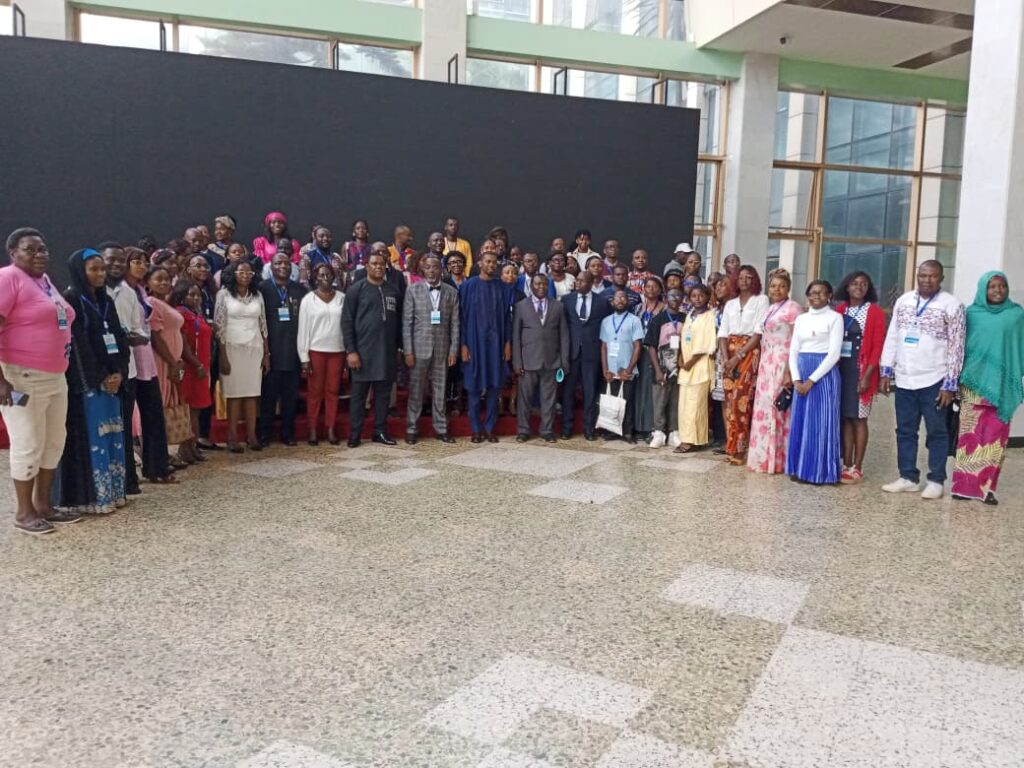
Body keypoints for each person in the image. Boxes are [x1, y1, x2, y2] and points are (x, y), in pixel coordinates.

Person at [0, 228, 79, 534]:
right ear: (13, 253)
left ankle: (44, 505)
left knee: (54, 441)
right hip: (22, 377)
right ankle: (24, 512)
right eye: (30, 250)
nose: (39, 255)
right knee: (28, 442)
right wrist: (1, 381)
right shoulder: (9, 278)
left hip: (55, 375)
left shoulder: (44, 281)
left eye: (42, 249)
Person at [880, 260, 966, 499]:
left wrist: (950, 383)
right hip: (905, 379)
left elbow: (957, 346)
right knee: (905, 430)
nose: (927, 280)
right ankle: (908, 477)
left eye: (933, 276)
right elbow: (893, 335)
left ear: (941, 278)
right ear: (917, 276)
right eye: (923, 275)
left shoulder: (952, 305)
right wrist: (886, 370)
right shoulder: (904, 301)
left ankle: (936, 480)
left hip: (935, 380)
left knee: (937, 432)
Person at [58, 248, 129, 515]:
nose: (100, 274)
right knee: (94, 437)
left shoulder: (105, 299)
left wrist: (119, 372)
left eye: (102, 269)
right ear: (80, 271)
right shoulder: (71, 299)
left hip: (112, 381)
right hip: (90, 383)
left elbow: (119, 337)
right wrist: (100, 377)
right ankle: (95, 496)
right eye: (94, 269)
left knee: (113, 436)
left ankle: (114, 491)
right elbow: (78, 344)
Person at [951, 271, 1024, 505]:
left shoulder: (1016, 315)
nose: (997, 290)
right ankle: (962, 488)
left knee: (995, 439)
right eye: (992, 286)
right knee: (970, 435)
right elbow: (959, 347)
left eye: (1002, 286)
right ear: (983, 289)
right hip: (973, 382)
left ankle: (987, 489)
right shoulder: (971, 314)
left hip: (1001, 386)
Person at [122, 247, 176, 481]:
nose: (141, 266)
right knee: (127, 418)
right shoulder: (119, 291)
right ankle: (128, 475)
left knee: (153, 414)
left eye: (144, 262)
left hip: (145, 358)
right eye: (136, 261)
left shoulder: (140, 290)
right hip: (128, 359)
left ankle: (156, 467)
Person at [343, 249, 402, 447]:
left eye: (381, 264)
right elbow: (347, 321)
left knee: (383, 397)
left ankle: (380, 432)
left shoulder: (393, 290)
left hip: (386, 353)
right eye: (374, 264)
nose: (378, 267)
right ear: (367, 267)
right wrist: (351, 351)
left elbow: (399, 322)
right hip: (362, 353)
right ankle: (355, 434)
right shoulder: (356, 290)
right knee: (359, 398)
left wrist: (399, 349)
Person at [787, 280, 843, 485]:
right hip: (801, 373)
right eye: (812, 292)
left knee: (820, 423)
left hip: (823, 375)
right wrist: (796, 379)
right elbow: (793, 350)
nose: (816, 296)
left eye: (821, 292)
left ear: (829, 295)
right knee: (801, 422)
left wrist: (811, 380)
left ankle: (819, 472)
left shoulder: (835, 318)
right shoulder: (801, 319)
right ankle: (799, 469)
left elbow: (834, 354)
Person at [746, 269, 803, 475]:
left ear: (788, 288)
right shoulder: (769, 309)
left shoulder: (794, 308)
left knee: (779, 408)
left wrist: (789, 371)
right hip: (766, 363)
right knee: (764, 408)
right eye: (773, 286)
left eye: (781, 286)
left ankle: (780, 459)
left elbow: (796, 341)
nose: (777, 290)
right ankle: (763, 458)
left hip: (782, 361)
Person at [146, 264, 201, 467]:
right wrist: (171, 361)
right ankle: (157, 455)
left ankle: (166, 452)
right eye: (158, 279)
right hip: (161, 361)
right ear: (148, 283)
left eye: (167, 279)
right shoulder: (151, 303)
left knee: (171, 405)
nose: (164, 283)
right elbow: (156, 336)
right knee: (159, 406)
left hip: (173, 361)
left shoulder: (166, 304)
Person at [834, 271, 887, 484]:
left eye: (864, 284)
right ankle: (846, 464)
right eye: (854, 283)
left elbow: (877, 347)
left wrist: (867, 376)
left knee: (859, 418)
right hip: (842, 371)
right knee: (846, 418)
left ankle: (857, 467)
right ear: (847, 287)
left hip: (861, 371)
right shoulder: (840, 310)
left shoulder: (874, 312)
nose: (859, 287)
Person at [403, 253, 460, 444]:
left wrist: (453, 350)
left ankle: (441, 428)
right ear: (422, 269)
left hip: (443, 348)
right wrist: (408, 351)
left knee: (440, 389)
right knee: (416, 389)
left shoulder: (451, 292)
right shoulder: (413, 290)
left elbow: (455, 324)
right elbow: (407, 323)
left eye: (435, 267)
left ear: (441, 269)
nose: (431, 271)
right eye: (428, 267)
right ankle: (411, 428)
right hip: (418, 348)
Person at [102, 242, 143, 495]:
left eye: (121, 260)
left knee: (125, 427)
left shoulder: (129, 292)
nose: (116, 265)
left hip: (128, 369)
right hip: (103, 373)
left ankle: (128, 480)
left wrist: (136, 336)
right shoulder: (90, 293)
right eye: (111, 260)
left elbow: (138, 327)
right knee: (105, 428)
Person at [215, 261, 269, 453]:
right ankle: (232, 437)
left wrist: (266, 354)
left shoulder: (257, 295)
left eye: (249, 272)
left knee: (252, 393)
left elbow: (263, 325)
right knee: (234, 394)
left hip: (254, 348)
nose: (246, 275)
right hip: (232, 349)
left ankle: (252, 436)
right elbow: (219, 326)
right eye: (241, 272)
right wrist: (223, 356)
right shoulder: (224, 294)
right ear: (233, 273)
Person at [717, 265, 769, 465]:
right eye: (741, 277)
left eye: (749, 277)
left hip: (748, 352)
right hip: (728, 352)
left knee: (742, 400)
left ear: (755, 280)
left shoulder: (761, 300)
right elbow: (723, 332)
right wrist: (725, 359)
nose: (744, 280)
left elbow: (758, 332)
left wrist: (737, 357)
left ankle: (741, 448)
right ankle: (731, 446)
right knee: (730, 402)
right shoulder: (730, 304)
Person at [459, 249, 511, 443]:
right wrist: (463, 345)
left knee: (494, 387)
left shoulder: (502, 287)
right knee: (473, 388)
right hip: (473, 342)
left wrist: (507, 344)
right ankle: (475, 429)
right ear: (480, 263)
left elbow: (506, 318)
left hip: (496, 344)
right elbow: (462, 318)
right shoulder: (468, 286)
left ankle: (489, 428)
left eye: (494, 262)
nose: (491, 265)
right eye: (488, 261)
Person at [258, 252, 306, 446]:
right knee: (268, 398)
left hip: (293, 353)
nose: (283, 266)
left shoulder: (300, 290)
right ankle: (264, 434)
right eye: (278, 263)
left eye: (286, 263)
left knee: (290, 398)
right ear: (271, 266)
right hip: (270, 353)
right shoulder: (262, 289)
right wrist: (264, 353)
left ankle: (288, 433)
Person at [513, 274, 569, 442]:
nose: (541, 287)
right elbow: (516, 336)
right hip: (527, 361)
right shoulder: (521, 306)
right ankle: (523, 430)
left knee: (549, 399)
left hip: (551, 360)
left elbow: (564, 335)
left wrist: (564, 361)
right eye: (537, 284)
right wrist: (517, 361)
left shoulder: (558, 306)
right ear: (531, 286)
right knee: (525, 399)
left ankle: (547, 430)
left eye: (544, 284)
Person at [298, 262, 346, 446]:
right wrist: (304, 357)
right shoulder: (308, 299)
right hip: (316, 351)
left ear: (333, 277)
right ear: (315, 278)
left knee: (333, 391)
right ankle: (312, 429)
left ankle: (330, 428)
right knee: (315, 392)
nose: (325, 278)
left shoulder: (342, 298)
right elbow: (303, 330)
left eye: (328, 274)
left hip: (337, 350)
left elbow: (346, 326)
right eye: (321, 275)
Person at [560, 271, 610, 440]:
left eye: (582, 281)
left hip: (592, 353)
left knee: (590, 392)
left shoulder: (602, 302)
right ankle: (566, 428)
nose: (578, 283)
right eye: (577, 280)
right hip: (571, 353)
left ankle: (589, 429)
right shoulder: (566, 300)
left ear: (590, 283)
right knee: (568, 392)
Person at [674, 284, 718, 454]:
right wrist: (680, 357)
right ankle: (691, 438)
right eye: (694, 296)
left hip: (699, 365)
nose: (697, 299)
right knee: (684, 405)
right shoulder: (690, 315)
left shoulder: (710, 316)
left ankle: (691, 441)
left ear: (707, 297)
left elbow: (708, 343)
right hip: (686, 365)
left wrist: (691, 361)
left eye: (701, 296)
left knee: (696, 405)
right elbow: (684, 338)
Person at [171, 281, 212, 461]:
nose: (195, 298)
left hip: (201, 366)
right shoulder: (180, 314)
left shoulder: (195, 313)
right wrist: (196, 365)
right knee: (188, 409)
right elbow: (184, 344)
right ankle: (185, 448)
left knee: (195, 409)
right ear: (182, 296)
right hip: (191, 367)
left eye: (198, 295)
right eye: (191, 295)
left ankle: (192, 446)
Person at [600, 290, 645, 443]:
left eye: (623, 298)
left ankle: (627, 432)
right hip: (611, 369)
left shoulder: (634, 321)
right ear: (612, 302)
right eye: (617, 298)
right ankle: (613, 430)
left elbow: (637, 346)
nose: (620, 300)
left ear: (628, 301)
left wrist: (629, 369)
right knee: (612, 400)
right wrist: (605, 370)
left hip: (627, 369)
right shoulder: (606, 321)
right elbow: (604, 347)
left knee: (627, 401)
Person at [645, 286, 684, 449]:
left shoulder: (686, 319)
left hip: (681, 368)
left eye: (678, 296)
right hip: (661, 368)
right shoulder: (657, 319)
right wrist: (658, 370)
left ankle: (674, 433)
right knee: (659, 402)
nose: (675, 299)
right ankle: (659, 433)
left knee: (676, 402)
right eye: (671, 296)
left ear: (682, 300)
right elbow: (651, 347)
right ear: (666, 298)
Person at [632, 275, 665, 441]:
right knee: (638, 389)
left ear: (660, 290)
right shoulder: (637, 308)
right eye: (648, 286)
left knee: (652, 390)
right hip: (638, 353)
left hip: (656, 353)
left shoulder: (664, 309)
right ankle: (637, 426)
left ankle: (650, 427)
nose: (651, 289)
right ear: (643, 289)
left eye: (654, 287)